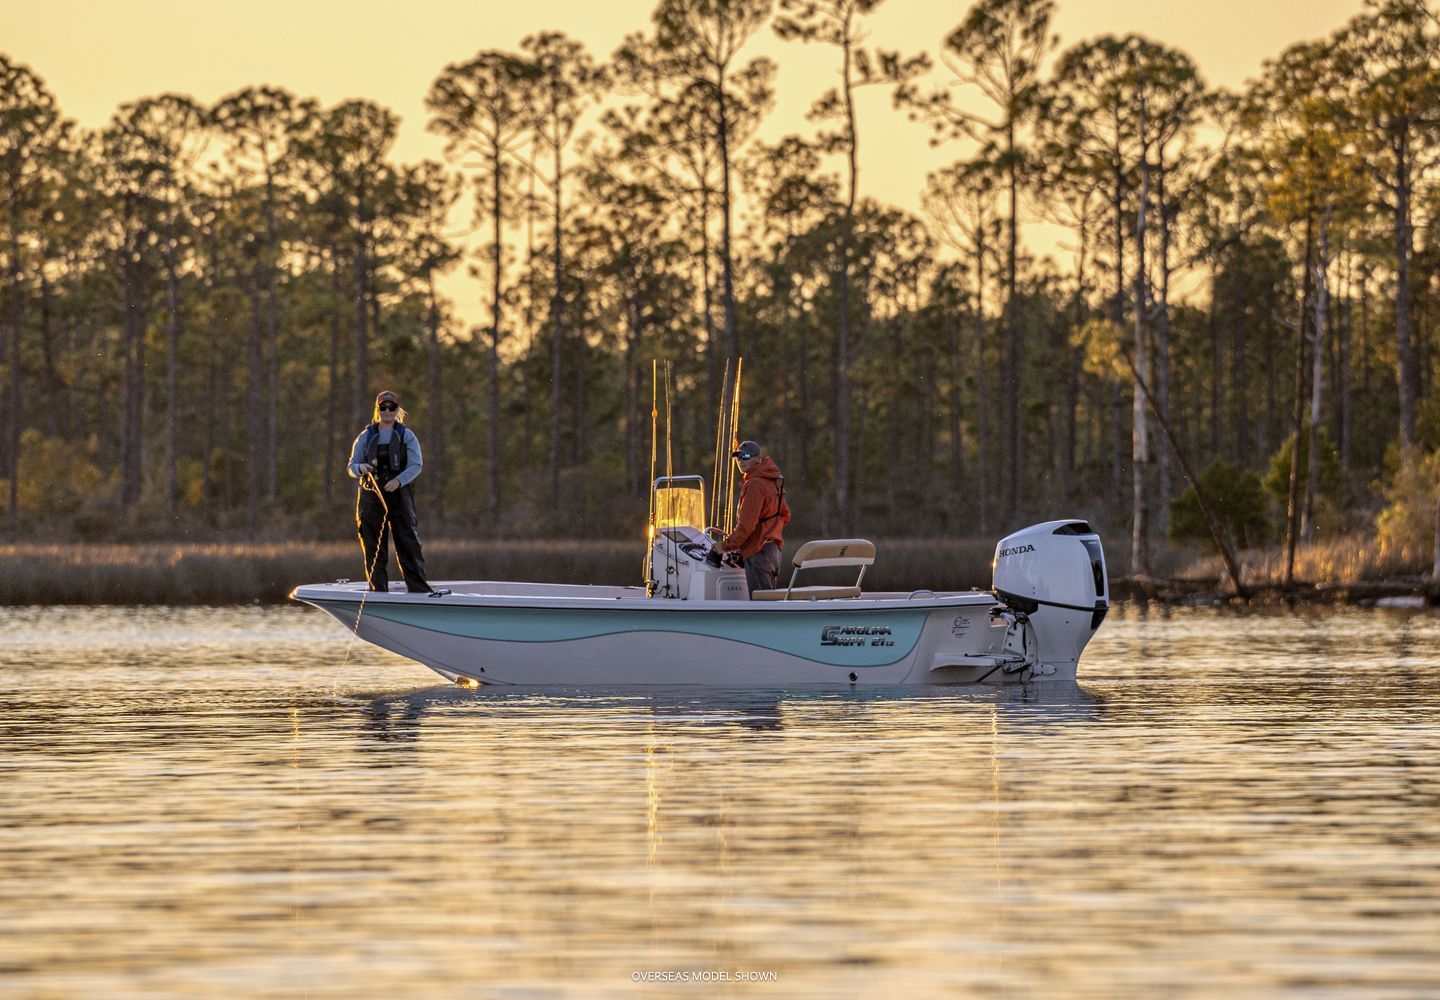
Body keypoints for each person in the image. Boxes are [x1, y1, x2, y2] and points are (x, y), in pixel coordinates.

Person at [347, 390, 431, 593]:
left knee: (408, 542)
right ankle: (378, 590)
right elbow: (351, 465)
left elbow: (416, 465)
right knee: (373, 545)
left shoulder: (407, 436)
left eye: (391, 407)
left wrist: (398, 481)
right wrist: (361, 468)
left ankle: (419, 590)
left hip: (399, 495)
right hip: (371, 495)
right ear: (377, 410)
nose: (387, 411)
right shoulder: (365, 437)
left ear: (397, 410)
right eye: (382, 407)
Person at [718, 440, 790, 594]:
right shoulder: (773, 480)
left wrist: (723, 547)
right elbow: (785, 515)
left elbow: (746, 527)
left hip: (759, 552)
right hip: (773, 551)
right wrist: (769, 532)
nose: (740, 460)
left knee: (761, 607)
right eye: (737, 457)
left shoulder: (754, 484)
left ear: (757, 458)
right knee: (768, 602)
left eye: (745, 456)